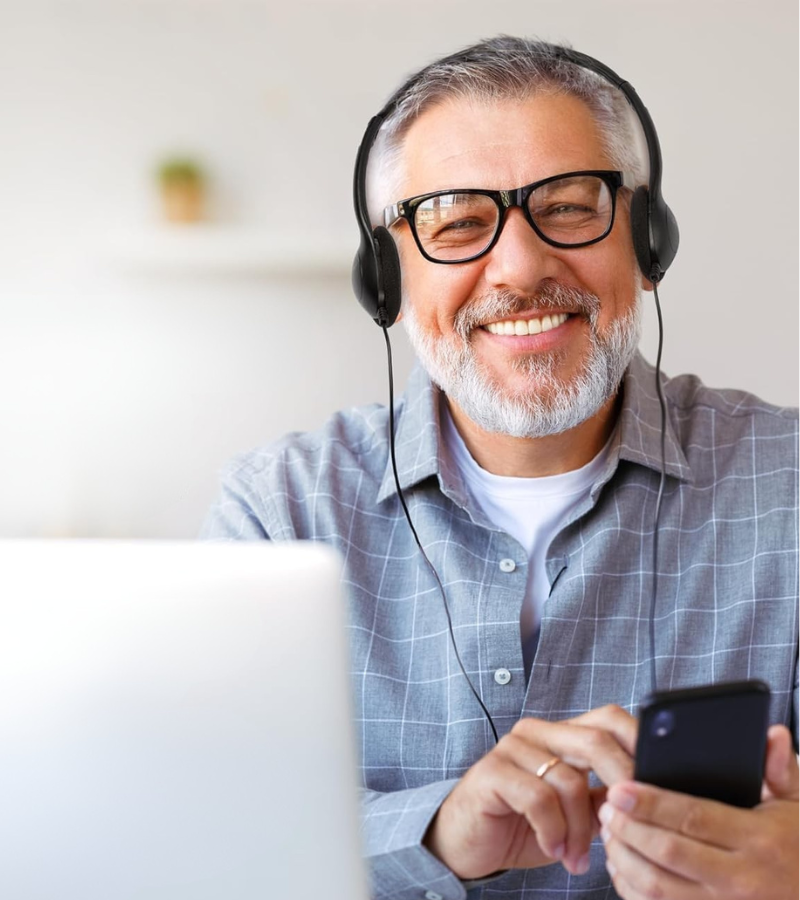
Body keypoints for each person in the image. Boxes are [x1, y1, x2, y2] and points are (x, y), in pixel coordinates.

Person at [202, 36, 798, 900]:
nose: (520, 268)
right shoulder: (278, 512)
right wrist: (434, 832)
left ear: (648, 237)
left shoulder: (789, 486)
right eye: (455, 220)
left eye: (568, 207)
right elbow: (215, 839)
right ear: (386, 274)